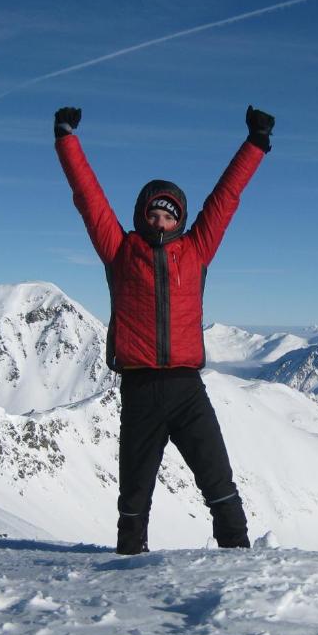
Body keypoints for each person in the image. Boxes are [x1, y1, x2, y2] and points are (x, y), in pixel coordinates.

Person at [54, 104, 275, 554]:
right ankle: (127, 566)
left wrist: (255, 143)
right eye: (154, 213)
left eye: (169, 214)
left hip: (186, 387)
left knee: (217, 480)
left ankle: (241, 559)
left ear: (180, 220)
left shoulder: (197, 248)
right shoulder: (120, 250)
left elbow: (225, 197)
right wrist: (66, 139)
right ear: (142, 215)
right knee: (134, 494)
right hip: (139, 389)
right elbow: (88, 197)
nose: (160, 221)